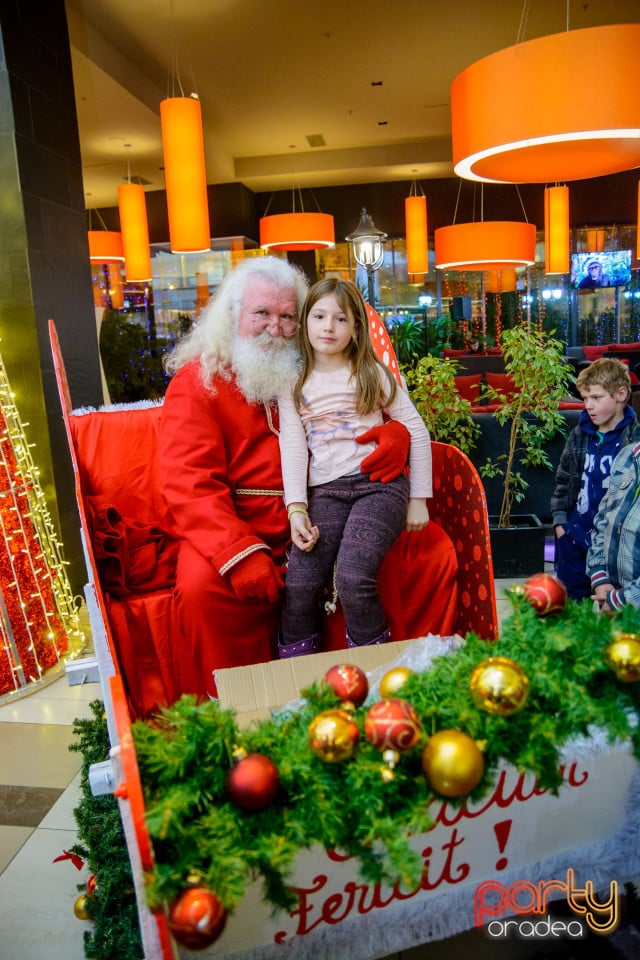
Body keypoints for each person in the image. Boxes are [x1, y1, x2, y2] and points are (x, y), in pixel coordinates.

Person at [158, 257, 458, 699]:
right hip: (240, 522)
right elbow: (188, 482)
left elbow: (370, 410)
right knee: (203, 589)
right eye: (262, 313)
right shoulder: (197, 381)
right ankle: (246, 705)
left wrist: (392, 434)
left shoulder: (311, 366)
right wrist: (238, 554)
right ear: (232, 316)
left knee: (376, 566)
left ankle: (377, 685)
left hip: (324, 503)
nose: (275, 327)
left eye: (286, 316)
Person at [277, 278, 431, 656]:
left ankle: (376, 670)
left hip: (378, 485)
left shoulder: (370, 373)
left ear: (356, 328)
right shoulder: (292, 382)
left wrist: (418, 498)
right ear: (304, 321)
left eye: (341, 319)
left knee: (353, 576)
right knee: (299, 580)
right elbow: (293, 446)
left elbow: (415, 429)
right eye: (319, 316)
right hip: (326, 491)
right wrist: (296, 508)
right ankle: (296, 673)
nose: (329, 327)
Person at [551, 357, 640, 600]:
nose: (588, 405)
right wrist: (561, 528)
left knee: (611, 616)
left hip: (614, 547)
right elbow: (563, 482)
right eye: (585, 399)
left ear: (620, 394)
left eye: (597, 398)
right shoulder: (579, 435)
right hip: (575, 542)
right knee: (570, 617)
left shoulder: (635, 441)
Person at [587, 440, 640, 612]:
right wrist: (600, 576)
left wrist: (621, 601)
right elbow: (603, 521)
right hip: (612, 603)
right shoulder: (628, 456)